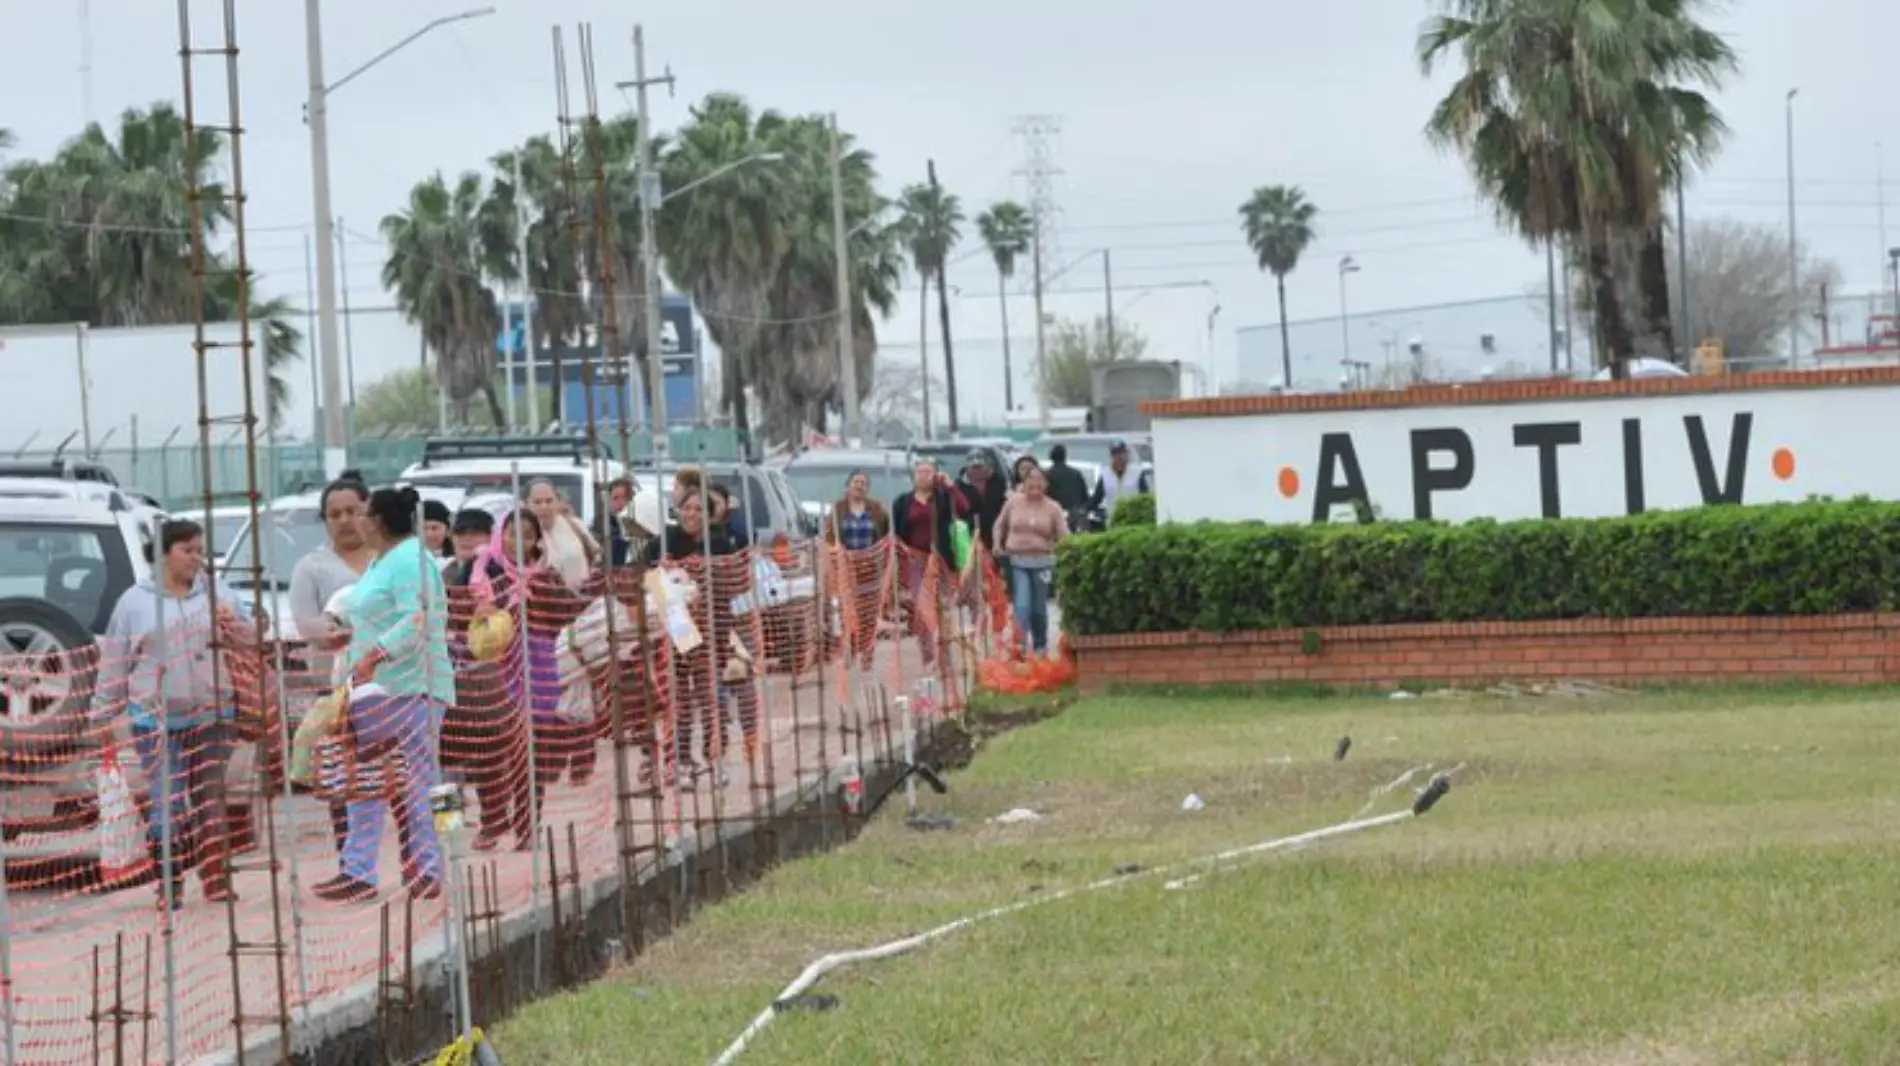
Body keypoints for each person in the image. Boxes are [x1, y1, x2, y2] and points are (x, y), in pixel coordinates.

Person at [93, 518, 253, 907]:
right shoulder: (135, 602)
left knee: (210, 797)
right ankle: (169, 883)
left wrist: (236, 627)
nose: (197, 559)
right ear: (163, 555)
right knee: (169, 800)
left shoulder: (215, 593)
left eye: (200, 550)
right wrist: (102, 714)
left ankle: (216, 880)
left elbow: (251, 634)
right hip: (154, 718)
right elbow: (115, 661)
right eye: (188, 550)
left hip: (214, 713)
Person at [315, 486, 454, 902]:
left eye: (361, 513)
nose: (354, 521)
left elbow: (418, 619)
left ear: (376, 522)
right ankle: (357, 870)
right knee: (365, 781)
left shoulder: (413, 562)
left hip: (415, 686)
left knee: (423, 782)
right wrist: (352, 640)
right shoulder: (382, 563)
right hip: (374, 691)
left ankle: (434, 867)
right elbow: (380, 616)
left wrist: (376, 652)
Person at [286, 473, 374, 855]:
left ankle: (420, 859)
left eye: (352, 511)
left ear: (368, 512)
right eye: (334, 514)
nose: (344, 520)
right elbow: (306, 622)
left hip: (396, 684)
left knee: (403, 774)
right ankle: (351, 859)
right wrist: (331, 632)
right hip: (337, 691)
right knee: (343, 775)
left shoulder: (389, 559)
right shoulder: (312, 567)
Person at [646, 491, 742, 784]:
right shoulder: (668, 539)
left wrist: (701, 573)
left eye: (698, 509)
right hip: (677, 624)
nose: (690, 514)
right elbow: (642, 570)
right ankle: (681, 760)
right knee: (679, 697)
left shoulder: (721, 543)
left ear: (709, 514)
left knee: (710, 693)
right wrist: (658, 568)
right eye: (686, 508)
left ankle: (715, 758)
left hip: (713, 624)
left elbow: (735, 582)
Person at [889, 459, 968, 667]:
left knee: (943, 606)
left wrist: (950, 485)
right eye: (920, 472)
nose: (924, 476)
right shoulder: (903, 502)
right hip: (916, 561)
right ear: (914, 476)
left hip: (941, 560)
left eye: (928, 472)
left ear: (936, 475)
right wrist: (901, 550)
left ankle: (943, 652)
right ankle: (928, 653)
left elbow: (963, 508)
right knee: (921, 607)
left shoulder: (942, 497)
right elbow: (897, 533)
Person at [992, 465, 1069, 655]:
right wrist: (996, 544)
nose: (1035, 483)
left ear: (1046, 484)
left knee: (1038, 608)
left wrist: (1065, 552)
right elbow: (999, 525)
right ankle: (1019, 647)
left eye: (1039, 480)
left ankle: (1040, 645)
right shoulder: (1013, 503)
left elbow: (1065, 536)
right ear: (1023, 483)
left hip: (1043, 562)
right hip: (1017, 561)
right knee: (1022, 605)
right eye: (1030, 479)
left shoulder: (1053, 508)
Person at [826, 472, 891, 671]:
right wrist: (836, 554)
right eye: (856, 482)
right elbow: (829, 536)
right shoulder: (838, 509)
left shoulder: (877, 510)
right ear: (849, 485)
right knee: (849, 612)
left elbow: (887, 536)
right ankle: (851, 650)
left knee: (869, 615)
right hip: (847, 571)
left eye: (863, 483)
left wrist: (882, 555)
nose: (859, 486)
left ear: (868, 488)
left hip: (871, 569)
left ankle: (867, 653)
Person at [526, 479, 599, 590]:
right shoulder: (523, 536)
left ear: (558, 502)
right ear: (527, 504)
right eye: (537, 502)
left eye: (549, 501)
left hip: (583, 599)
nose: (544, 506)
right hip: (543, 603)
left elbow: (597, 558)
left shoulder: (575, 525)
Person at [1087, 438, 1152, 525]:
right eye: (1116, 454)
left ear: (1127, 454)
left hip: (1134, 522)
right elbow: (1095, 500)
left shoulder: (1137, 473)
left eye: (1122, 453)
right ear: (1111, 457)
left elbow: (1145, 498)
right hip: (1112, 522)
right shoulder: (1105, 475)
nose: (1119, 458)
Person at [955, 451, 1008, 556]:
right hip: (969, 536)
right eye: (974, 467)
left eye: (980, 467)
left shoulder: (999, 482)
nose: (977, 470)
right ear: (967, 468)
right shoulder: (958, 486)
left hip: (996, 535)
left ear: (988, 467)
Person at [1043, 444, 1091, 529]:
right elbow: (1085, 497)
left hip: (1055, 516)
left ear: (1051, 456)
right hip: (1076, 516)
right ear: (1065, 456)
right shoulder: (1076, 473)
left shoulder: (1047, 475)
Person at [604, 477, 636, 566]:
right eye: (616, 498)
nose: (621, 502)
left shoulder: (642, 523)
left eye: (625, 497)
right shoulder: (604, 524)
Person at [422, 499, 454, 565]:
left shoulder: (455, 561)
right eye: (424, 528)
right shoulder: (406, 558)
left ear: (447, 531)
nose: (429, 534)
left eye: (434, 528)